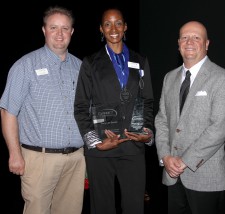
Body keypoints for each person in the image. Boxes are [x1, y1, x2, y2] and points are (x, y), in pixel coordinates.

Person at [0, 6, 85, 214]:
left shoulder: (81, 67)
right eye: (53, 27)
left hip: (75, 160)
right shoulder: (25, 65)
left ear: (72, 32)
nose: (60, 33)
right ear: (44, 30)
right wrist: (14, 154)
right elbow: (8, 111)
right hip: (39, 160)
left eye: (65, 28)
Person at [74, 8, 154, 214]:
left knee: (134, 206)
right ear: (101, 29)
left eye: (118, 23)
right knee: (102, 207)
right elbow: (81, 106)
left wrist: (146, 133)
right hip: (102, 148)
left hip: (132, 145)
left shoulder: (140, 60)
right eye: (107, 24)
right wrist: (96, 143)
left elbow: (147, 101)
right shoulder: (90, 63)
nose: (113, 29)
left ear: (125, 27)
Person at [155, 21, 225, 214]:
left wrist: (184, 161)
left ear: (207, 44)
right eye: (184, 37)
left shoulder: (224, 79)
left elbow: (219, 128)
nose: (189, 41)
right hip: (171, 174)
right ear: (178, 43)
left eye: (196, 37)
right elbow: (162, 119)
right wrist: (165, 156)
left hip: (206, 177)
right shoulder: (169, 78)